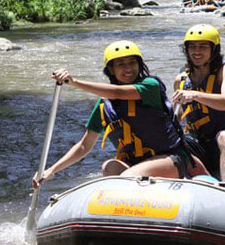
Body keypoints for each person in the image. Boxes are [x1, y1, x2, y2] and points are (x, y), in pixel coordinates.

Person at [32, 41, 209, 189]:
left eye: (132, 62)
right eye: (121, 64)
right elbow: (84, 146)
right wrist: (51, 171)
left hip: (169, 159)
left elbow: (118, 92)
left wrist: (75, 82)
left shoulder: (150, 85)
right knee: (109, 166)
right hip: (136, 163)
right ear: (111, 70)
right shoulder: (104, 105)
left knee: (127, 179)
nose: (128, 68)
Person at [172, 25, 225, 182]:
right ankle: (209, 181)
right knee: (175, 144)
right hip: (201, 145)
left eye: (202, 46)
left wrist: (195, 95)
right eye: (192, 47)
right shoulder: (181, 80)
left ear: (213, 49)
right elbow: (177, 119)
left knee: (224, 136)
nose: (196, 51)